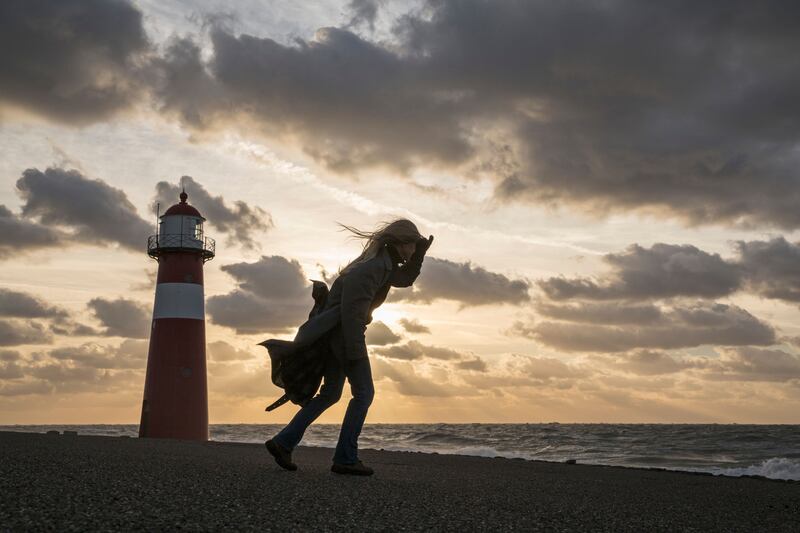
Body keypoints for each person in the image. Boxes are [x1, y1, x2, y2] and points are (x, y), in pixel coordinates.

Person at [265, 218, 434, 476]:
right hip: (344, 336)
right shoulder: (372, 268)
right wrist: (355, 353)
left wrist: (420, 255)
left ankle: (284, 442)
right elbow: (352, 315)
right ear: (400, 244)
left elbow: (405, 279)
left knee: (331, 393)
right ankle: (345, 457)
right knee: (364, 394)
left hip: (339, 336)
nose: (413, 250)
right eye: (412, 245)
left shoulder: (383, 265)